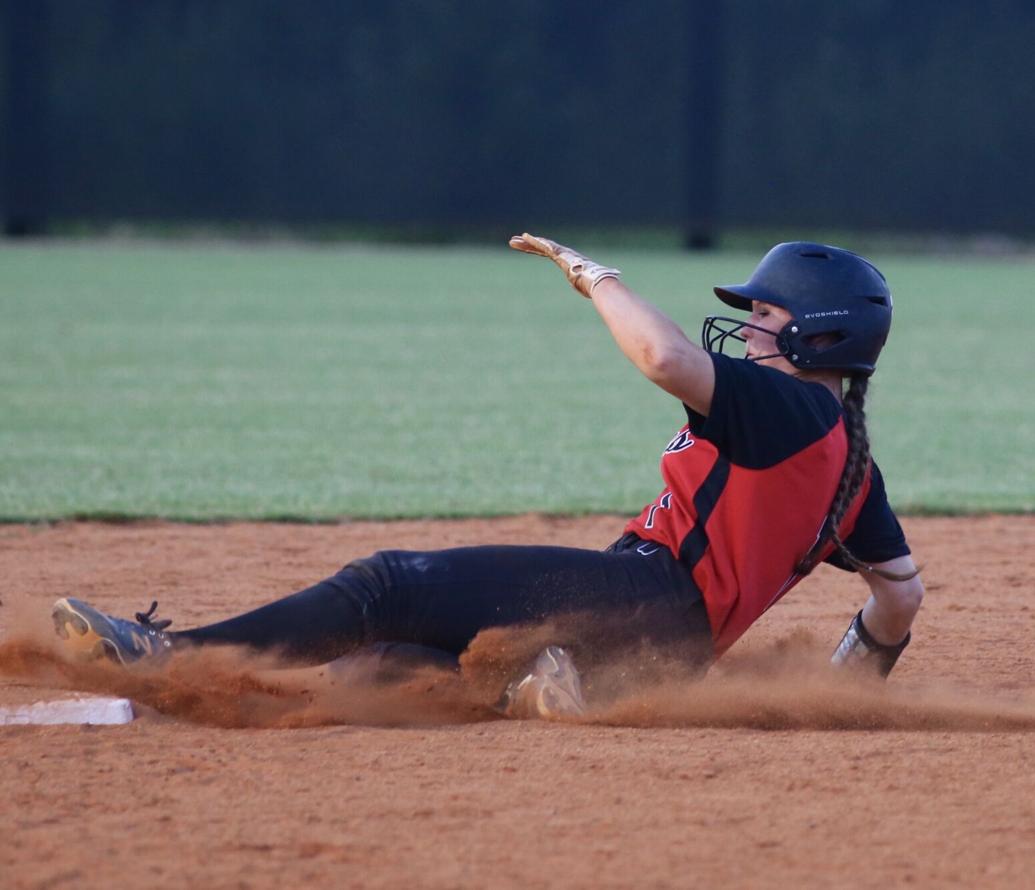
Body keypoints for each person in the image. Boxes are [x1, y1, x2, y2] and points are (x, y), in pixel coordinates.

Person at [52, 235, 924, 718]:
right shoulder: (851, 460)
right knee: (392, 663)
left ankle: (167, 657)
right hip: (665, 651)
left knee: (388, 583)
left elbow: (663, 356)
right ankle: (534, 681)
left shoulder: (789, 408)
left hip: (646, 597)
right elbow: (898, 598)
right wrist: (846, 689)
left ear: (821, 337)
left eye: (765, 314)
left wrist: (595, 278)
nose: (748, 329)